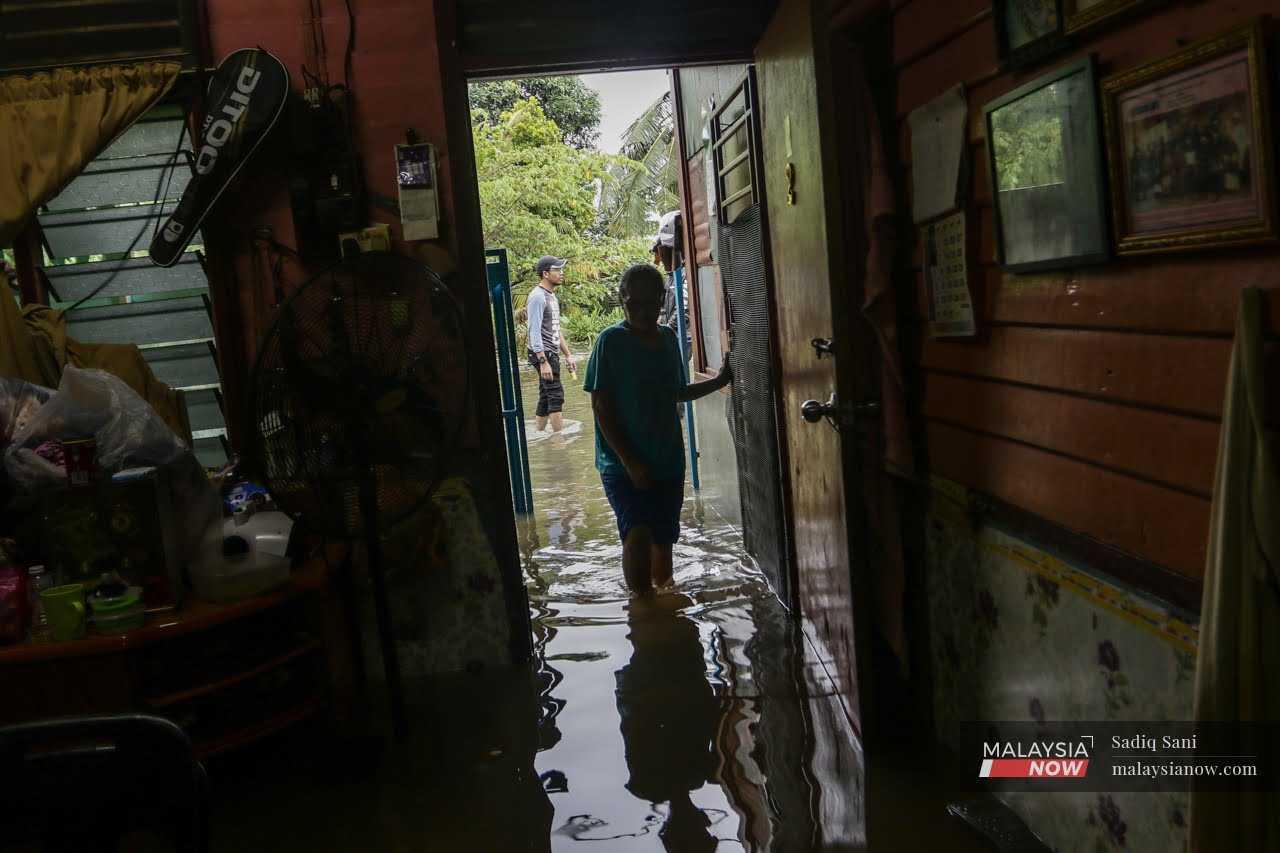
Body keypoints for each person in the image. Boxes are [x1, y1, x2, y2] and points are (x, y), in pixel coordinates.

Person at [583, 263, 732, 595]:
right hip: (620, 465)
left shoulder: (668, 338)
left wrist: (721, 380)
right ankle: (641, 608)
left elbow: (678, 392)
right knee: (636, 532)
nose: (643, 312)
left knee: (664, 538)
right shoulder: (610, 342)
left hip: (667, 459)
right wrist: (631, 461)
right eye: (634, 304)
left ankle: (664, 603)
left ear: (662, 300)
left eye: (650, 303)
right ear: (622, 300)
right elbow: (601, 408)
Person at [526, 255, 577, 432]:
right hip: (543, 353)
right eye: (557, 270)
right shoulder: (538, 297)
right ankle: (558, 441)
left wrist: (568, 355)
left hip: (550, 352)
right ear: (545, 274)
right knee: (556, 395)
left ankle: (539, 434)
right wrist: (543, 361)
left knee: (546, 396)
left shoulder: (551, 296)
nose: (561, 273)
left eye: (561, 269)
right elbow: (533, 331)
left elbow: (555, 329)